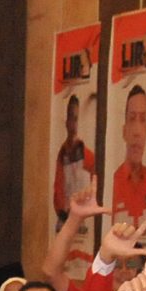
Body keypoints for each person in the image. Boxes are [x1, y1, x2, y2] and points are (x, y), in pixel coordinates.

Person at [110, 84, 146, 227]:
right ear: (124, 131)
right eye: (132, 119)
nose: (137, 131)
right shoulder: (113, 181)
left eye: (142, 120)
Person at [54, 92, 95, 226]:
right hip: (65, 218)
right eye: (71, 118)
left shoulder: (87, 155)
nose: (73, 124)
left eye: (76, 119)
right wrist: (62, 213)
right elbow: (58, 188)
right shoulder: (62, 154)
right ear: (66, 121)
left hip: (83, 220)